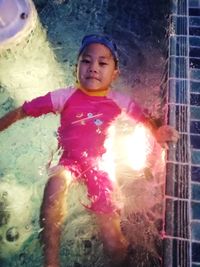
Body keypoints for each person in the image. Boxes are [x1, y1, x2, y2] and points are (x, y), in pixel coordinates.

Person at [0, 34, 179, 267]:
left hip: (100, 165)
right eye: (86, 61)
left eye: (103, 63)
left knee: (114, 241)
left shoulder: (117, 100)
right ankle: (51, 260)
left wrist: (156, 132)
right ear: (76, 68)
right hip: (69, 162)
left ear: (115, 74)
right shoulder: (64, 96)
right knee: (54, 190)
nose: (93, 68)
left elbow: (144, 117)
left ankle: (120, 258)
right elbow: (24, 111)